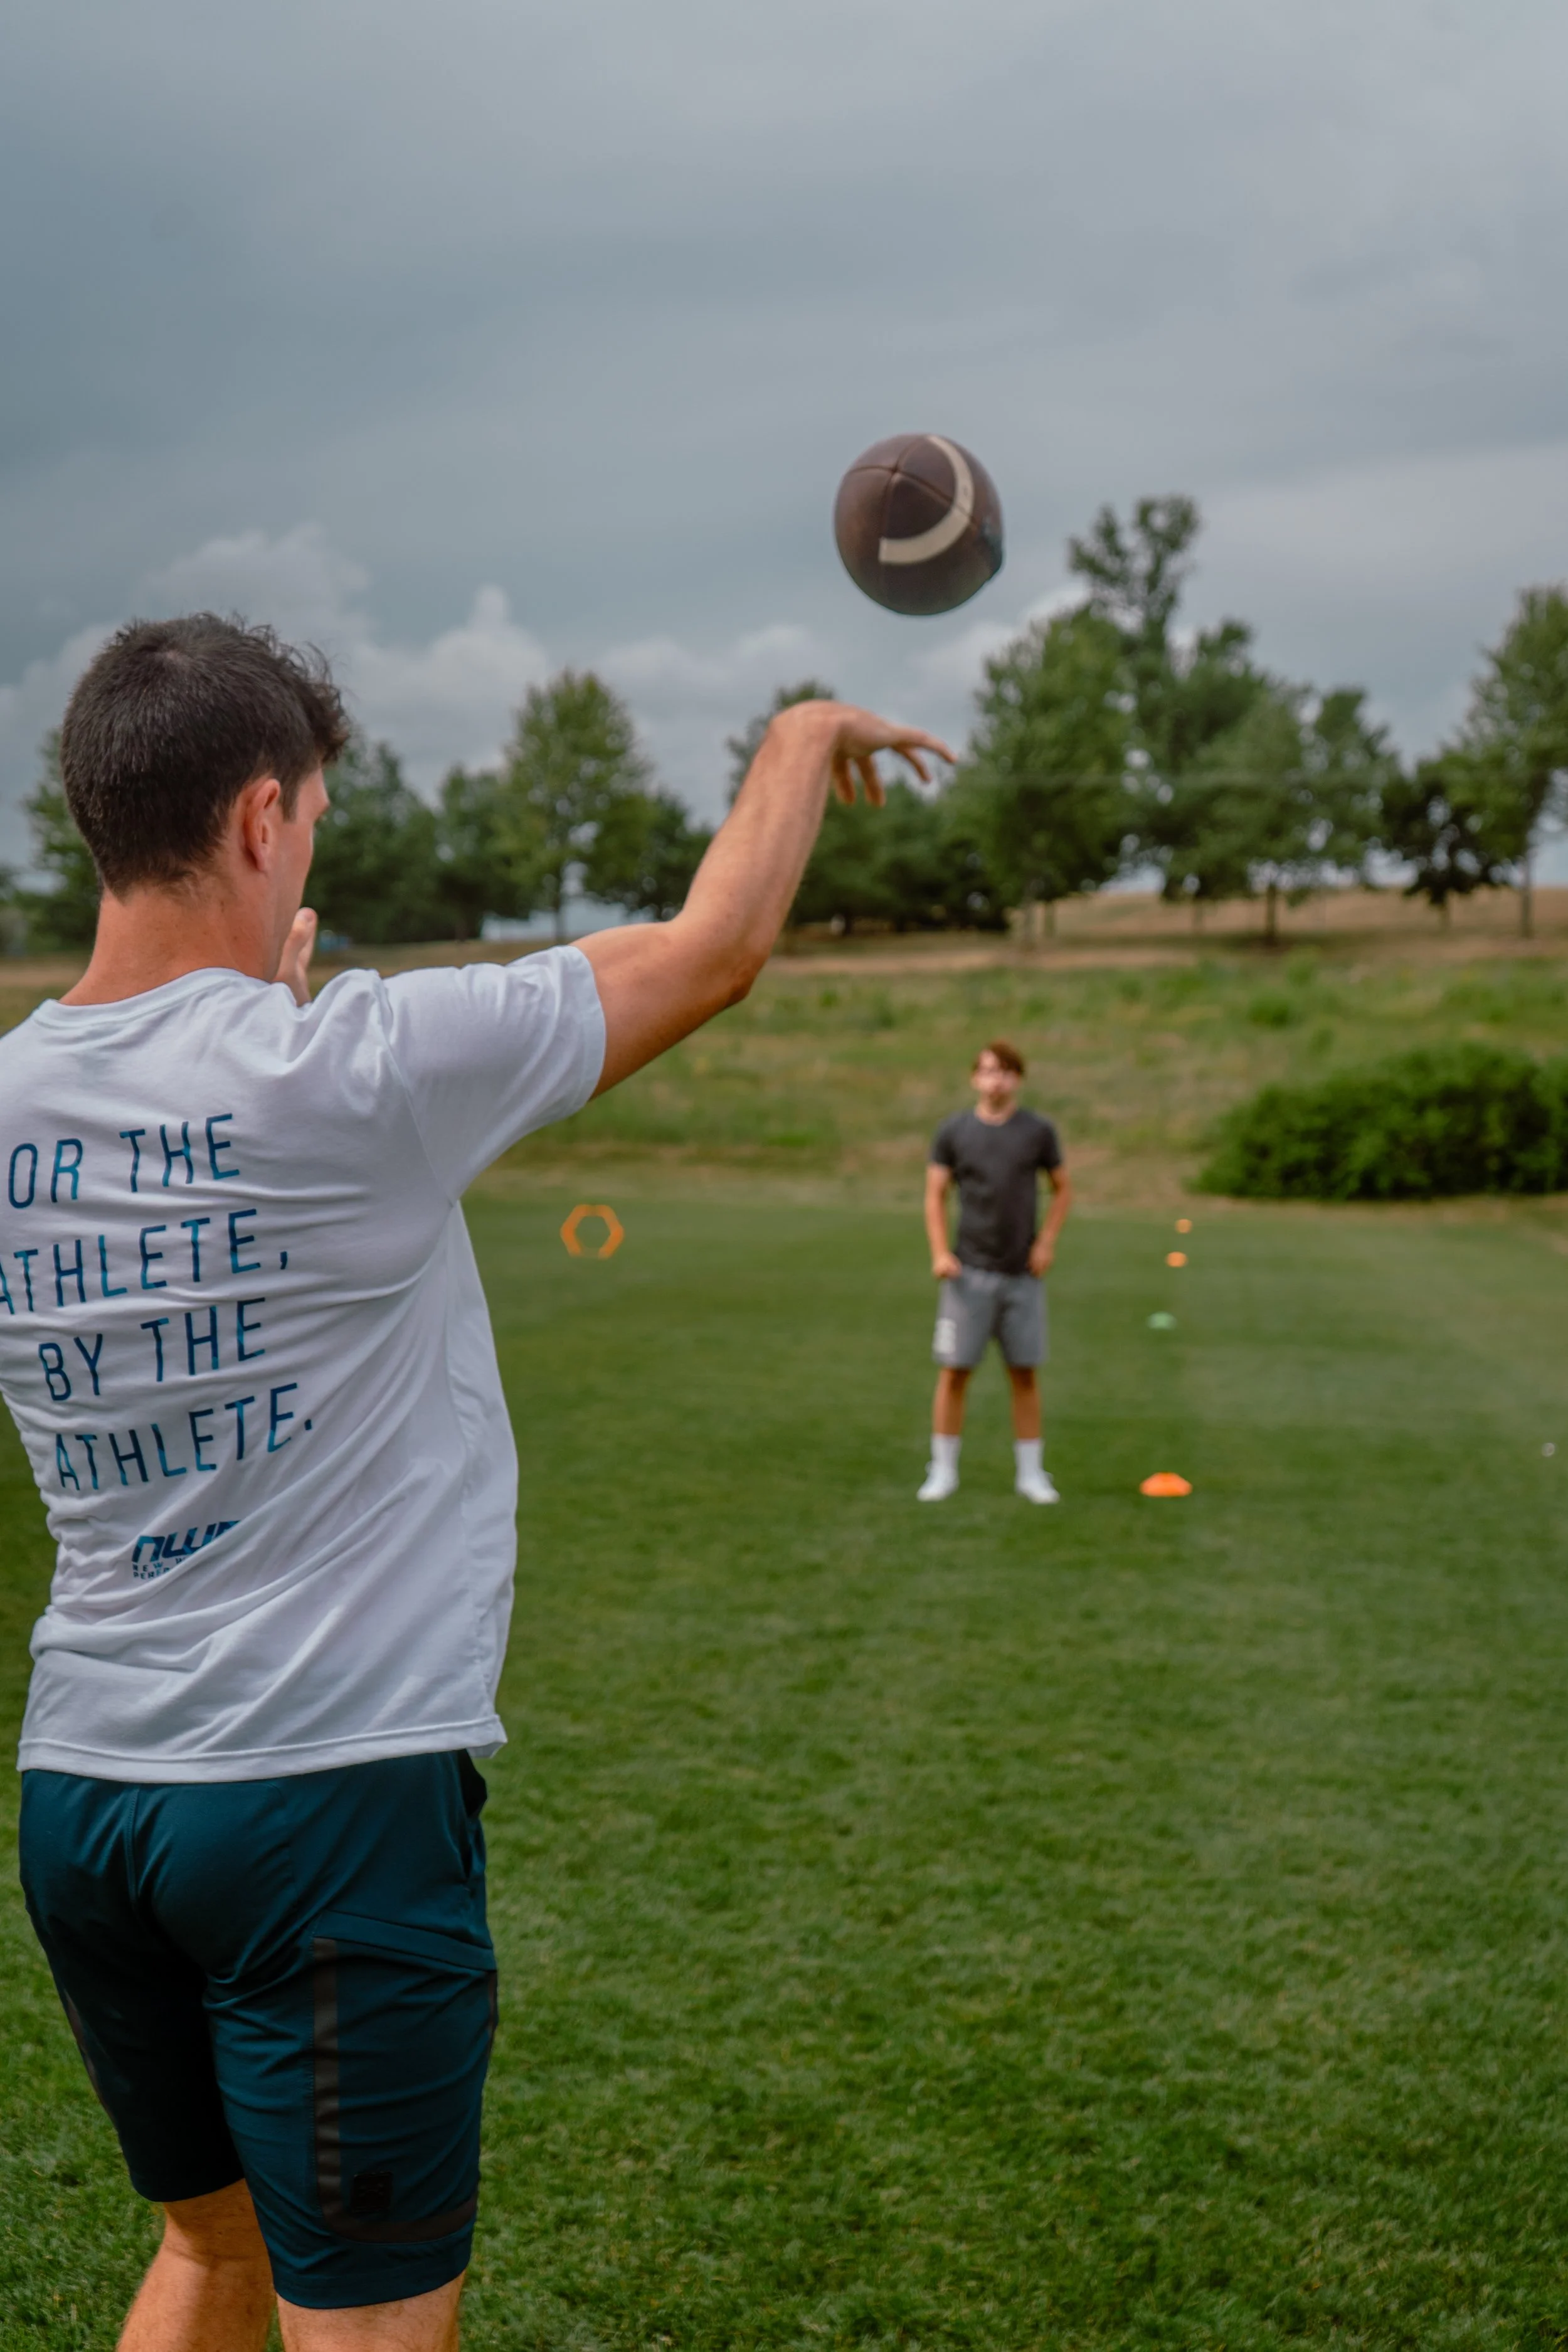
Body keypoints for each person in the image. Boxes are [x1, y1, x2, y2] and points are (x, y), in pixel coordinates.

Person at [0, 613, 950, 2352]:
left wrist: (253, 1036)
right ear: (264, 819)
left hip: (85, 1797)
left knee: (207, 2260)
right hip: (323, 1804)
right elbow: (714, 943)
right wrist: (804, 729)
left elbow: (181, 1154)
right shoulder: (345, 1073)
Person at [919, 1039, 1072, 1505]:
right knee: (954, 1373)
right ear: (974, 1078)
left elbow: (1062, 1189)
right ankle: (942, 1471)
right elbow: (934, 1195)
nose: (996, 1079)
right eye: (987, 1071)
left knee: (1024, 1373)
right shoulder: (954, 1132)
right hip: (969, 1275)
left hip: (1021, 1274)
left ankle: (1031, 1474)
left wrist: (1046, 1242)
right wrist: (941, 1252)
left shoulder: (1037, 1132)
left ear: (1017, 1079)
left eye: (1005, 1071)